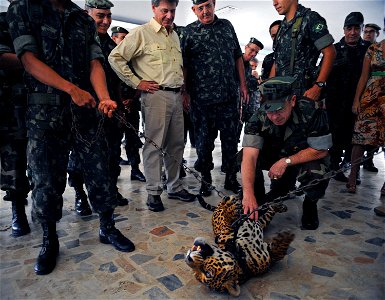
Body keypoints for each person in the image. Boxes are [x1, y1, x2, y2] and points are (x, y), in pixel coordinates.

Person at [7, 0, 135, 276]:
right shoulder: (24, 8)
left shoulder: (81, 18)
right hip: (45, 113)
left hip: (87, 110)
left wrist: (104, 98)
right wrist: (71, 90)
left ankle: (107, 227)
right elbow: (28, 60)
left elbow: (94, 63)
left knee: (101, 171)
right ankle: (49, 240)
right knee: (46, 180)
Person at [109, 0, 196, 212]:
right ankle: (154, 192)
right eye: (164, 10)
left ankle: (174, 186)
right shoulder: (142, 33)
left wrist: (183, 92)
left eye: (173, 11)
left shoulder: (174, 35)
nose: (169, 15)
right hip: (156, 96)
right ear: (154, 9)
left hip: (176, 95)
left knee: (176, 144)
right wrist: (137, 82)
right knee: (154, 145)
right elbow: (116, 57)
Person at [241, 76, 331, 230]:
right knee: (241, 159)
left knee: (317, 172)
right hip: (274, 155)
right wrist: (248, 193)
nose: (275, 117)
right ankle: (257, 201)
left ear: (293, 100)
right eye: (270, 110)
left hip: (303, 157)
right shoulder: (258, 117)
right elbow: (249, 155)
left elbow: (321, 150)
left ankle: (310, 204)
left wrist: (286, 162)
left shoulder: (312, 111)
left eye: (280, 109)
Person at [180, 0, 248, 197]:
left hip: (228, 97)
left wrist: (243, 85)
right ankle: (206, 179)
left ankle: (231, 178)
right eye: (200, 8)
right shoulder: (188, 32)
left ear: (214, 4)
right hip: (202, 101)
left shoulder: (227, 26)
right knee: (203, 143)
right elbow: (184, 64)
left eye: (208, 5)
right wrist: (185, 92)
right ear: (194, 10)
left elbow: (237, 56)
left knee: (230, 141)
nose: (205, 11)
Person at [326, 12, 371, 182]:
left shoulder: (368, 49)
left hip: (358, 102)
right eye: (349, 28)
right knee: (335, 135)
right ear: (344, 29)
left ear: (361, 29)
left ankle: (352, 169)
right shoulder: (334, 50)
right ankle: (334, 166)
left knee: (355, 137)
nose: (352, 32)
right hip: (335, 102)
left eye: (356, 28)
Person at [0, 5, 30, 237]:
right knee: (14, 158)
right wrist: (38, 61)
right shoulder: (4, 21)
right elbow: (3, 58)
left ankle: (45, 205)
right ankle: (17, 207)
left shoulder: (41, 21)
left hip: (42, 102)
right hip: (11, 105)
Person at [271, 0, 336, 101]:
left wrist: (318, 86)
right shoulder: (282, 28)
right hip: (282, 97)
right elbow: (277, 61)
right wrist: (270, 88)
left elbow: (330, 53)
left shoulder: (310, 18)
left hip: (303, 96)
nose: (274, 3)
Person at [346, 37, 385, 194]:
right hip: (371, 97)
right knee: (360, 137)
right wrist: (356, 100)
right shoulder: (373, 49)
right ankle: (352, 177)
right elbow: (363, 76)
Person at [110, 25, 146, 183]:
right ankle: (113, 173)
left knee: (132, 140)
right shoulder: (109, 57)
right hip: (115, 108)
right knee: (114, 141)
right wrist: (119, 102)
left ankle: (135, 169)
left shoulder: (132, 59)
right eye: (122, 38)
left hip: (131, 106)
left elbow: (141, 81)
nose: (126, 41)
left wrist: (132, 99)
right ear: (114, 38)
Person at [361, 22, 381, 172]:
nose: (368, 34)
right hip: (362, 93)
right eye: (366, 31)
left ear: (377, 34)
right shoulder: (360, 48)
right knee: (360, 132)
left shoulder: (377, 50)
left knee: (376, 131)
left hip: (377, 94)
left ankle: (369, 160)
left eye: (371, 32)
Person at [238, 38, 264, 140]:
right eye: (252, 50)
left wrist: (257, 78)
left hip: (249, 107)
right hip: (236, 106)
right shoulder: (235, 60)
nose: (253, 54)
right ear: (246, 47)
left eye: (256, 52)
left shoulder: (249, 68)